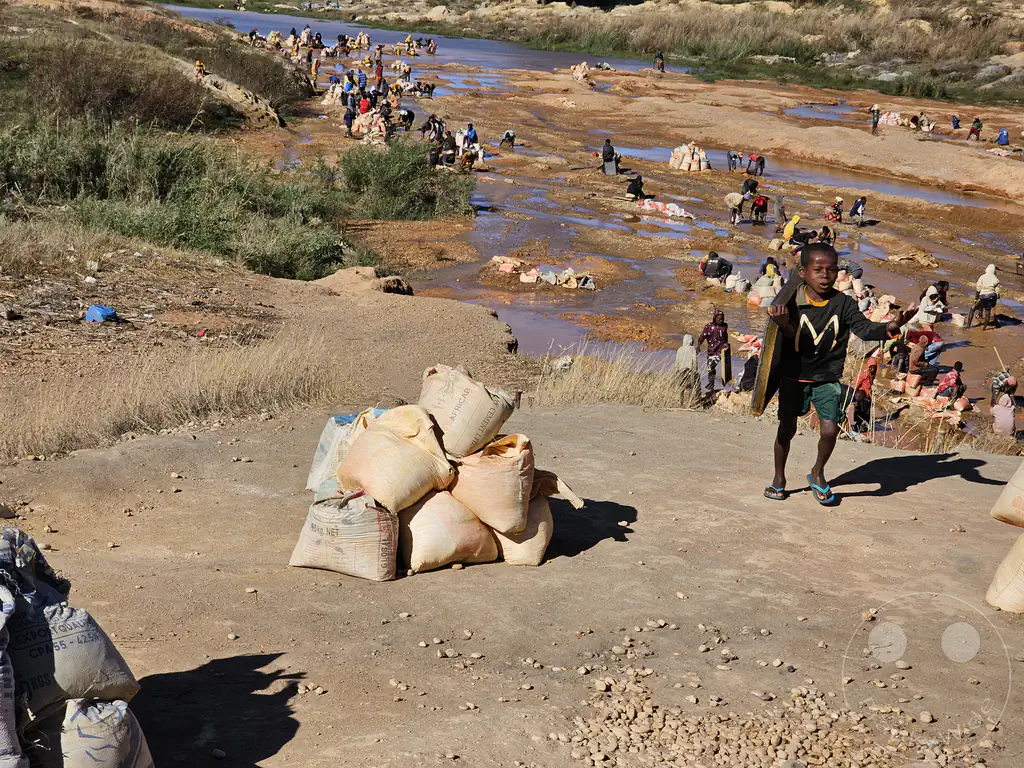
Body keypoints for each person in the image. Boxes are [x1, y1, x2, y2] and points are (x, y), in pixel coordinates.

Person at [764, 243, 916, 504]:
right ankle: (779, 478)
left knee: (830, 430)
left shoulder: (843, 304)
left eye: (831, 270)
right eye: (818, 270)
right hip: (793, 377)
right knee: (785, 430)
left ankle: (817, 473)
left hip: (827, 378)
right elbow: (790, 340)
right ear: (802, 272)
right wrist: (783, 323)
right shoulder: (789, 303)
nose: (825, 275)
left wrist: (894, 324)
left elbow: (866, 329)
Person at [696, 309, 729, 395]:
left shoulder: (725, 326)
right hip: (711, 351)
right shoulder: (708, 327)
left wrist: (726, 346)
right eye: (719, 319)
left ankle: (713, 383)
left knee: (711, 365)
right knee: (710, 368)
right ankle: (712, 384)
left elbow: (726, 336)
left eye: (722, 319)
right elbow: (702, 337)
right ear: (714, 318)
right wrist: (698, 346)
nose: (721, 320)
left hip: (720, 351)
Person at [851, 359, 878, 438]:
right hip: (861, 393)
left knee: (867, 409)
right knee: (862, 410)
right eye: (871, 368)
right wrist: (853, 392)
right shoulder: (864, 374)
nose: (873, 369)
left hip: (867, 393)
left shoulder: (872, 374)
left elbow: (870, 384)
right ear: (868, 367)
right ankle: (858, 426)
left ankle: (864, 425)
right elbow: (857, 383)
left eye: (874, 368)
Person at [975, 264, 1000, 330]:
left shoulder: (982, 277)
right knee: (988, 311)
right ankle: (984, 328)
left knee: (980, 305)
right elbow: (997, 290)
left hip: (983, 296)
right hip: (992, 297)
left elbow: (978, 287)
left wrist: (976, 297)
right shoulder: (995, 278)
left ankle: (980, 315)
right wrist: (997, 295)